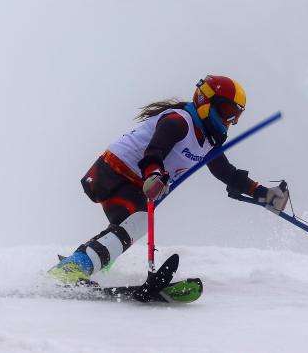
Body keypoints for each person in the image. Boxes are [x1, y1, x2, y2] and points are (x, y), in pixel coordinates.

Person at [48, 75, 289, 285]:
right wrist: (155, 174)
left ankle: (86, 262)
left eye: (235, 117)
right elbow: (155, 152)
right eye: (227, 113)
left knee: (127, 229)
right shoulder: (179, 121)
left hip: (133, 184)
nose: (229, 122)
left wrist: (263, 194)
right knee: (137, 224)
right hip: (115, 173)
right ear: (205, 101)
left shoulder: (207, 141)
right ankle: (74, 268)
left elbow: (225, 171)